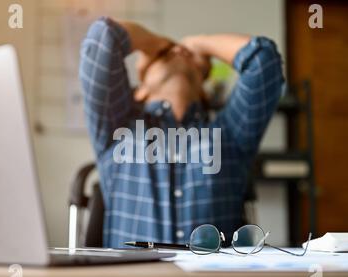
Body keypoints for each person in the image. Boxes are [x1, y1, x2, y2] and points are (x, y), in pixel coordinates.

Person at [79, 16, 284, 248]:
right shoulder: (118, 129)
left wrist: (200, 44)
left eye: (190, 59)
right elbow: (103, 36)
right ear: (141, 92)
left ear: (204, 93)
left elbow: (264, 61)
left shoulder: (229, 135)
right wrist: (154, 44)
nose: (178, 54)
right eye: (164, 57)